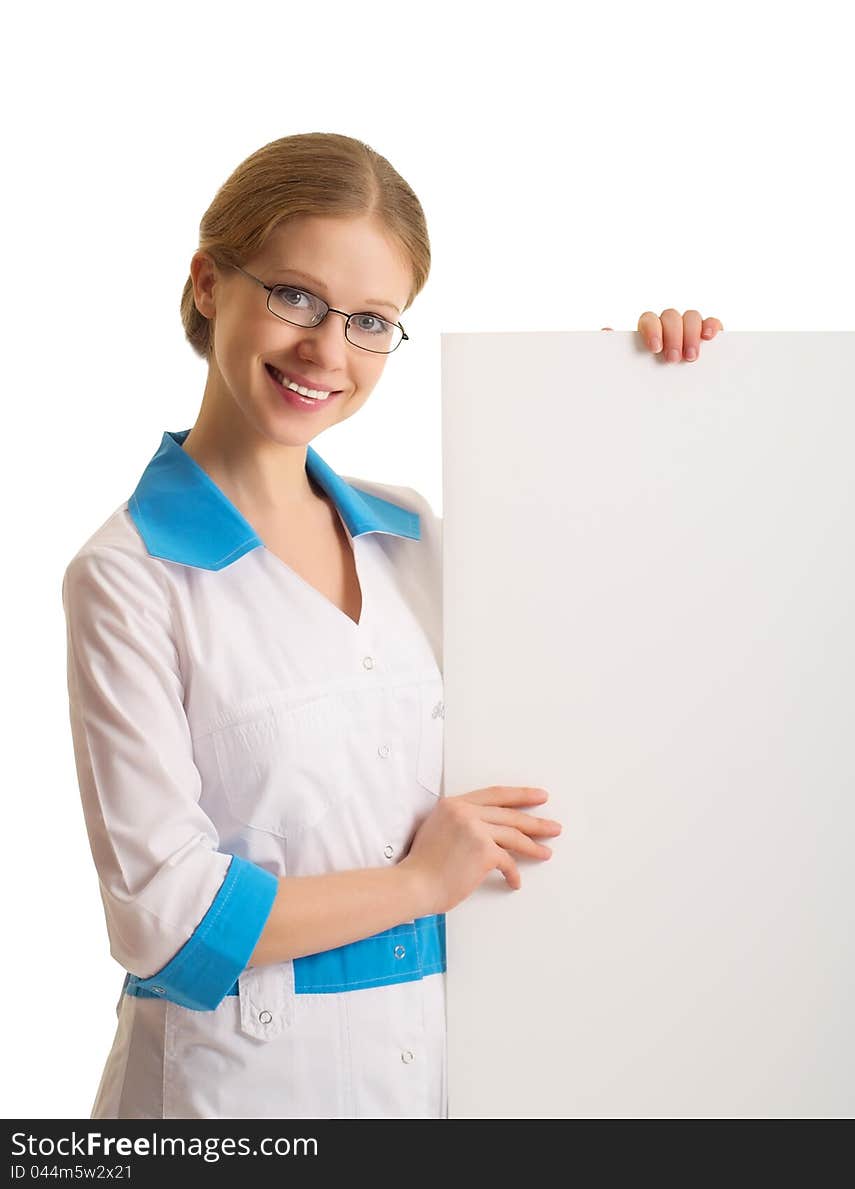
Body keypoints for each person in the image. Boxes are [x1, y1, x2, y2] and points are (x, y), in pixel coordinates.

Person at [61, 131, 724, 1121]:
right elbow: (169, 921)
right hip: (229, 1099)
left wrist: (645, 394)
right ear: (208, 283)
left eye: (371, 320)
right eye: (295, 295)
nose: (326, 351)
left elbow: (624, 642)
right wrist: (421, 882)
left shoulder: (412, 536)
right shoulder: (128, 578)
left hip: (439, 1078)